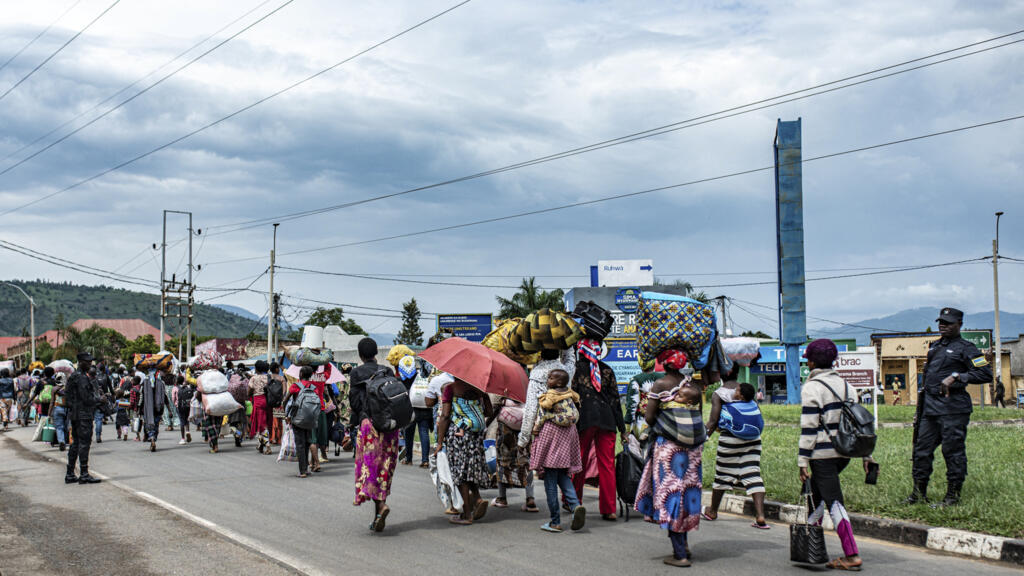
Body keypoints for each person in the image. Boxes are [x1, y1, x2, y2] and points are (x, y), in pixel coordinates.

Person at [799, 339, 873, 571]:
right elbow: (858, 425)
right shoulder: (847, 386)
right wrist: (866, 456)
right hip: (843, 452)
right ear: (834, 361)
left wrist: (802, 460)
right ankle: (810, 548)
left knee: (833, 501)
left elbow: (809, 427)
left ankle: (851, 554)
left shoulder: (812, 388)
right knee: (817, 496)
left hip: (821, 454)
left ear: (810, 362)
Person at [907, 307, 992, 508]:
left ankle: (952, 496)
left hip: (953, 409)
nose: (942, 326)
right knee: (921, 451)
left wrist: (958, 376)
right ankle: (918, 494)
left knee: (952, 452)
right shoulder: (934, 347)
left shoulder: (968, 348)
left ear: (959, 324)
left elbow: (985, 374)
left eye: (948, 323)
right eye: (940, 322)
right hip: (930, 409)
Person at [635, 349, 705, 568]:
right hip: (693, 449)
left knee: (671, 492)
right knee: (687, 491)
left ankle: (679, 554)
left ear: (663, 364)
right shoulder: (692, 386)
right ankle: (683, 546)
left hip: (669, 447)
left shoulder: (661, 385)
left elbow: (649, 416)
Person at [703, 366, 768, 529]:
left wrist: (701, 439)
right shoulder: (747, 390)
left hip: (729, 439)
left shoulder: (720, 393)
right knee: (753, 473)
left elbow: (712, 422)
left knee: (722, 475)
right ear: (737, 373)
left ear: (721, 375)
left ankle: (712, 511)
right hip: (753, 439)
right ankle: (760, 515)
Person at [572, 338, 625, 521]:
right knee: (607, 465)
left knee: (579, 462)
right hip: (607, 420)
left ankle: (574, 501)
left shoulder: (577, 370)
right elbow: (615, 401)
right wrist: (623, 428)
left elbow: (572, 398)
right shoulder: (607, 370)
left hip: (585, 421)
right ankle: (609, 509)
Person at [350, 338, 400, 532]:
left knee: (370, 467)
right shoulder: (386, 371)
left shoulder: (356, 373)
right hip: (389, 426)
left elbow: (354, 402)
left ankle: (380, 508)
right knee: (384, 467)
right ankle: (379, 512)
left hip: (369, 425)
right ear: (376, 353)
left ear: (361, 355)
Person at [529, 368, 586, 533]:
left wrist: (535, 429)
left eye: (551, 378)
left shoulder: (549, 398)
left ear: (559, 382)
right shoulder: (570, 397)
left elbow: (540, 419)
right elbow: (574, 417)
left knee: (551, 482)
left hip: (551, 440)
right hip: (568, 440)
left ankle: (555, 521)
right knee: (564, 476)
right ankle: (575, 506)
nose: (548, 380)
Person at [436, 378, 493, 525]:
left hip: (458, 435)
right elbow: (489, 411)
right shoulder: (478, 388)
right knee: (470, 468)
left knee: (460, 472)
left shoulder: (451, 388)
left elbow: (445, 415)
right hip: (476, 434)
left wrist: (439, 442)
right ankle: (478, 498)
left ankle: (467, 514)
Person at [65, 353, 101, 484]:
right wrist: (99, 400)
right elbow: (87, 398)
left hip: (75, 414)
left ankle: (70, 473)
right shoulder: (81, 378)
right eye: (88, 362)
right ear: (80, 362)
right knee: (84, 444)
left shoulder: (73, 376)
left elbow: (68, 398)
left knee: (75, 444)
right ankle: (84, 473)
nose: (90, 364)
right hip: (83, 414)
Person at [287, 366, 322, 478]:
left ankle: (302, 471)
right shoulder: (314, 387)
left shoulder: (295, 386)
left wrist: (287, 415)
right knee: (307, 442)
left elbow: (286, 400)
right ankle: (306, 469)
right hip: (310, 419)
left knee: (300, 444)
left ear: (301, 374)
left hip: (297, 418)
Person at [625, 359, 664, 440]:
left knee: (642, 449)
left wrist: (628, 428)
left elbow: (632, 406)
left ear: (640, 364)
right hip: (662, 422)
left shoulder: (635, 380)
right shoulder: (664, 378)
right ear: (654, 364)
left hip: (642, 423)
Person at [140, 371, 172, 452]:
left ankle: (152, 438)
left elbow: (141, 398)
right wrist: (169, 410)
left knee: (149, 425)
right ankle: (153, 438)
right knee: (156, 426)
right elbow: (165, 398)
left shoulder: (144, 384)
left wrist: (138, 409)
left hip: (147, 409)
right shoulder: (161, 384)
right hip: (158, 409)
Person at [248, 360, 272, 453]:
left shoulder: (254, 378)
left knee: (261, 425)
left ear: (257, 369)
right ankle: (260, 445)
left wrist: (251, 393)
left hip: (258, 402)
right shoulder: (269, 377)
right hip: (268, 401)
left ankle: (268, 446)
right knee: (264, 423)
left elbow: (249, 391)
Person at [52, 373, 70, 450]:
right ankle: (65, 441)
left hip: (57, 408)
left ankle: (61, 441)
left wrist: (49, 413)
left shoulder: (54, 389)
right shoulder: (68, 388)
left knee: (59, 427)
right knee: (66, 426)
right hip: (67, 409)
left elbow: (52, 401)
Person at [176, 374, 194, 445]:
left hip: (180, 407)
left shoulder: (177, 388)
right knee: (187, 420)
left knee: (182, 422)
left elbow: (175, 398)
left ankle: (183, 439)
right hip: (188, 406)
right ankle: (188, 431)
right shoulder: (188, 387)